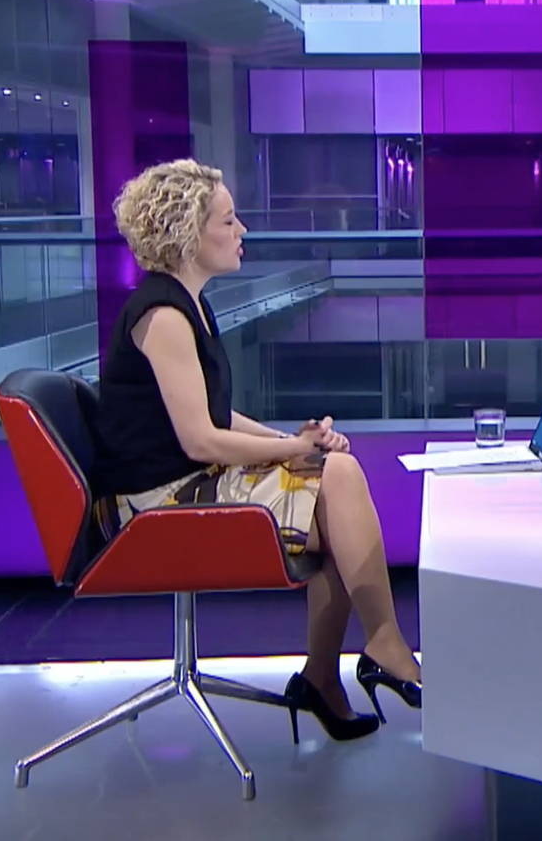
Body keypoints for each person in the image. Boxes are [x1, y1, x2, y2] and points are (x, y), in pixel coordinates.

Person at [88, 158, 421, 743]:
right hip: (155, 504)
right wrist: (292, 447)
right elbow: (200, 439)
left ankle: (330, 673)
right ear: (188, 234)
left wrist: (291, 442)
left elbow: (214, 417)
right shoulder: (163, 315)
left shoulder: (189, 305)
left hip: (186, 480)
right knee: (335, 482)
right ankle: (381, 646)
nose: (242, 231)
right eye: (229, 220)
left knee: (330, 478)